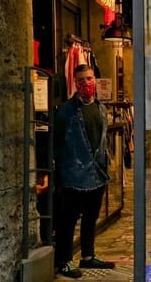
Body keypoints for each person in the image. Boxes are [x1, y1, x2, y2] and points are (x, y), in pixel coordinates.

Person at [53, 64, 115, 278]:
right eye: (80, 80)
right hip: (73, 174)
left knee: (91, 217)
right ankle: (64, 260)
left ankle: (87, 256)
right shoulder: (66, 111)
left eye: (89, 79)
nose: (86, 84)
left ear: (95, 80)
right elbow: (57, 143)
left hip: (96, 174)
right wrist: (57, 172)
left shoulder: (100, 108)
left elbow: (102, 141)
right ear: (75, 83)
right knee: (68, 220)